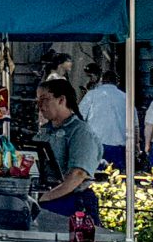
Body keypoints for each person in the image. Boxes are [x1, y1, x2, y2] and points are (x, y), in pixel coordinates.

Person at [33, 77, 103, 224]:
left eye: (44, 100)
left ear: (61, 100)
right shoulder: (45, 131)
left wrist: (45, 198)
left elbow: (78, 174)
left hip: (72, 201)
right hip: (46, 196)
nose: (40, 106)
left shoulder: (80, 131)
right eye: (37, 101)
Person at [80, 65, 131, 172]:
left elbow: (80, 117)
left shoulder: (92, 95)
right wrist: (135, 145)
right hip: (119, 146)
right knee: (117, 177)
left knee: (94, 176)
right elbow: (134, 124)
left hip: (95, 143)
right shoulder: (126, 98)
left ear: (102, 81)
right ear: (117, 82)